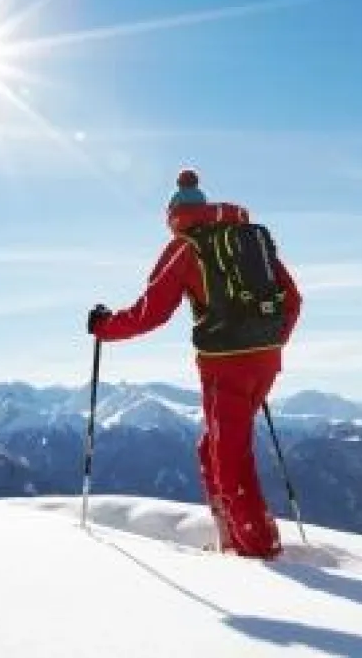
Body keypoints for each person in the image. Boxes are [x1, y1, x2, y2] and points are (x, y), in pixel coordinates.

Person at [87, 168, 302, 559]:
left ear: (173, 215)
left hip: (225, 365)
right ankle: (233, 536)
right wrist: (268, 342)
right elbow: (293, 300)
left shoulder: (186, 247)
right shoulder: (249, 237)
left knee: (228, 455)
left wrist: (105, 327)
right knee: (214, 447)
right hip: (267, 359)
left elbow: (150, 312)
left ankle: (256, 549)